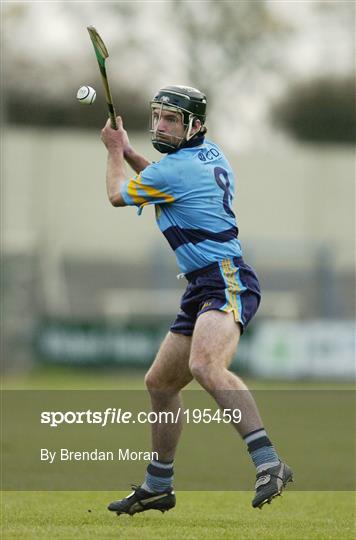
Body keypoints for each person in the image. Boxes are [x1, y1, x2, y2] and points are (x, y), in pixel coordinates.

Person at [100, 85, 293, 515]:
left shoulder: (174, 171)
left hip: (226, 279)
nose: (161, 125)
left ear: (196, 125)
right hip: (202, 285)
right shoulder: (209, 156)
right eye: (158, 116)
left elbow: (118, 194)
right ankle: (157, 486)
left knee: (205, 366)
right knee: (161, 384)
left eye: (172, 119)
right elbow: (163, 181)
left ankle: (269, 462)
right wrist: (132, 152)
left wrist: (114, 151)